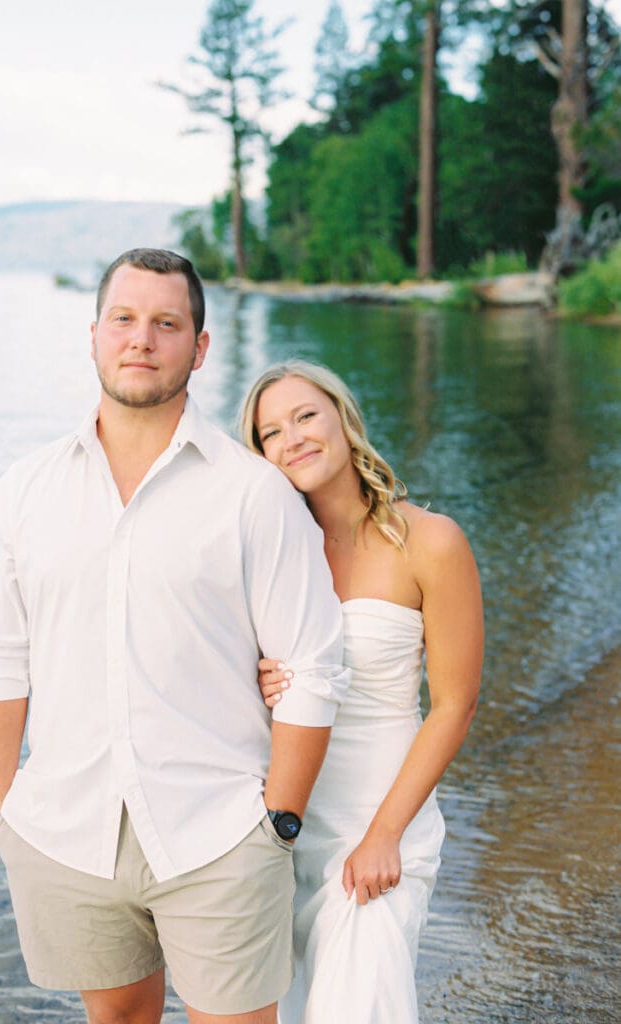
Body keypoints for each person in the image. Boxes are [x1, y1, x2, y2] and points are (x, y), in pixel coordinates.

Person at [0, 252, 349, 1024]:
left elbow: (310, 667)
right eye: (124, 320)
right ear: (95, 335)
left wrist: (279, 823)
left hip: (222, 833)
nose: (142, 339)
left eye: (166, 324)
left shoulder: (252, 493)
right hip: (66, 832)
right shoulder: (24, 491)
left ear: (198, 348)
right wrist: (3, 808)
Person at [239, 360, 483, 1024]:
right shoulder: (268, 555)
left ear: (343, 420)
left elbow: (455, 705)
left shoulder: (429, 541)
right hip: (286, 819)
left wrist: (383, 834)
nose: (292, 438)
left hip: (382, 818)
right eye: (270, 432)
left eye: (305, 416)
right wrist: (259, 681)